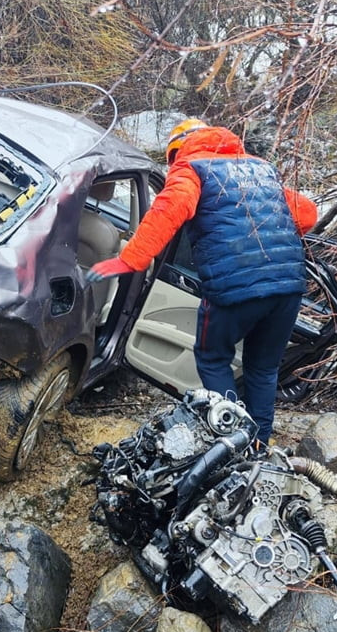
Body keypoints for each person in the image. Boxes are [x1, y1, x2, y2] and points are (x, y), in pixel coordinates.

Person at [88, 119, 317, 447]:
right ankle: (258, 444)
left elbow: (168, 211)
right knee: (263, 371)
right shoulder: (261, 169)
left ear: (177, 151)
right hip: (288, 287)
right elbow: (307, 214)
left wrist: (129, 260)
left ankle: (228, 439)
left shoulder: (191, 168)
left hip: (233, 289)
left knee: (212, 359)